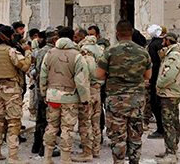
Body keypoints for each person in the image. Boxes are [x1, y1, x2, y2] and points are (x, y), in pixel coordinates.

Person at [97, 21, 152, 164]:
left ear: (117, 33)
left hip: (116, 100)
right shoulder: (143, 51)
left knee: (117, 136)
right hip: (137, 99)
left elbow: (99, 74)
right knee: (135, 135)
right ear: (132, 33)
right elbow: (148, 76)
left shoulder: (110, 51)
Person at [40, 26, 90, 164]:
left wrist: (44, 93)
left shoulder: (49, 53)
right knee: (67, 128)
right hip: (69, 97)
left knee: (51, 126)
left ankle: (47, 157)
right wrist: (85, 99)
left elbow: (43, 76)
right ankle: (65, 159)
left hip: (52, 96)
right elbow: (81, 81)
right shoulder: (77, 55)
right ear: (72, 37)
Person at [0, 25, 31, 163]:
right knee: (14, 122)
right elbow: (25, 66)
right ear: (10, 36)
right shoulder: (11, 51)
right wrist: (28, 52)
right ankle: (13, 157)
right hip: (11, 90)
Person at [155, 32, 180, 162]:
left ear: (168, 41)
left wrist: (159, 84)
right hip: (172, 91)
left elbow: (169, 74)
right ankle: (172, 148)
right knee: (173, 121)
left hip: (169, 92)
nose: (162, 42)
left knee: (168, 123)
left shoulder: (173, 55)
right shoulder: (175, 53)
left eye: (164, 40)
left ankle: (171, 153)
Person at [74, 30, 104, 161]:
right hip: (98, 89)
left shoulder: (85, 51)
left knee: (85, 122)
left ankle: (87, 152)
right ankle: (96, 149)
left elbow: (90, 69)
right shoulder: (101, 49)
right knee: (96, 121)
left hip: (89, 89)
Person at [32, 28, 59, 158]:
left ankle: (36, 145)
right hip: (49, 89)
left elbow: (36, 70)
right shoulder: (53, 52)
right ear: (54, 39)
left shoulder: (39, 51)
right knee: (48, 119)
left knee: (40, 117)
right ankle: (45, 147)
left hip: (39, 87)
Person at [146, 24, 165, 139]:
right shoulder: (164, 43)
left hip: (155, 78)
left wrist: (149, 78)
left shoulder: (153, 45)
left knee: (155, 103)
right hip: (164, 76)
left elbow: (153, 64)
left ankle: (160, 129)